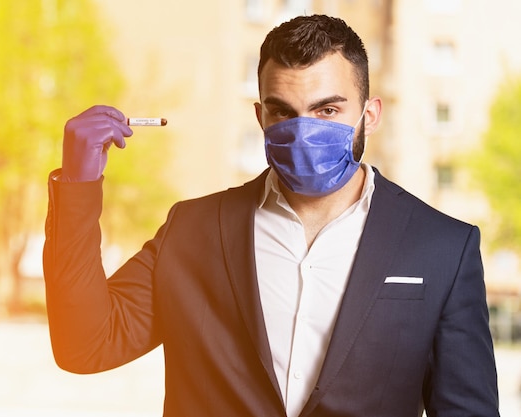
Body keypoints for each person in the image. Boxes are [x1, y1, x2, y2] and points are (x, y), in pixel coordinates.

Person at [43, 14, 499, 416]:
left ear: (370, 114)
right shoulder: (192, 230)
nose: (304, 132)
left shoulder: (442, 248)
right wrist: (78, 186)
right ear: (260, 116)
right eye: (284, 112)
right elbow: (85, 344)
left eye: (327, 110)